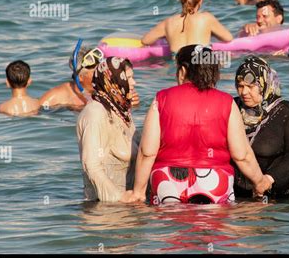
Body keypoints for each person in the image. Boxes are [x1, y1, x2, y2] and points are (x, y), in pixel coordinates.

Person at [128, 44, 273, 205]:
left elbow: (147, 152)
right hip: (215, 182)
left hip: (167, 182)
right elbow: (242, 155)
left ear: (182, 71)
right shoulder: (226, 102)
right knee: (215, 226)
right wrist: (259, 182)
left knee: (171, 227)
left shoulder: (161, 99)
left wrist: (138, 192)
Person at [233, 56, 289, 198]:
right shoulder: (232, 107)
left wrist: (268, 180)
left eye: (250, 86)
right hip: (241, 194)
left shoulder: (286, 111)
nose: (244, 92)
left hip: (280, 194)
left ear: (264, 84)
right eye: (240, 86)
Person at [76, 57, 139, 203]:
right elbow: (90, 165)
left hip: (126, 208)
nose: (134, 83)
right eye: (128, 78)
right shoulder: (95, 113)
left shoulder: (120, 111)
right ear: (115, 80)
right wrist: (119, 198)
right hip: (105, 212)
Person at [40, 41, 140, 110]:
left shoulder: (108, 89)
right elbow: (37, 117)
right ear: (80, 77)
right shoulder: (56, 96)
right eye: (96, 72)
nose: (102, 74)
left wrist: (129, 104)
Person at [141, 0, 233, 53]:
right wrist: (210, 32)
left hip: (178, 67)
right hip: (201, 64)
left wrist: (167, 36)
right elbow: (228, 38)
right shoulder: (207, 18)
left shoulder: (168, 22)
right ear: (201, 1)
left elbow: (145, 40)